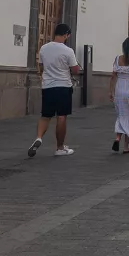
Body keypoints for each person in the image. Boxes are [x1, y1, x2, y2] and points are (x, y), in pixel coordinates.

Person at [29, 23, 80, 157]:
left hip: (48, 86)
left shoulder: (44, 48)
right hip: (63, 86)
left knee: (45, 115)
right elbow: (75, 70)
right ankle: (60, 147)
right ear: (66, 35)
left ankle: (39, 137)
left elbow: (41, 66)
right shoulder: (68, 51)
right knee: (61, 116)